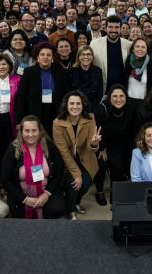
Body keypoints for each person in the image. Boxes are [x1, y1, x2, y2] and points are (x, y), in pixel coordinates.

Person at [0, 115, 66, 219]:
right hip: (21, 194)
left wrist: (46, 194)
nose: (30, 134)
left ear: (40, 131)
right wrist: (25, 199)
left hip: (47, 190)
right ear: (21, 132)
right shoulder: (13, 149)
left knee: (57, 209)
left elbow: (59, 170)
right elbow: (5, 178)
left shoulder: (50, 147)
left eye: (34, 130)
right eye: (27, 131)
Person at [53, 91, 100, 219]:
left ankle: (76, 202)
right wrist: (77, 174)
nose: (75, 106)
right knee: (73, 182)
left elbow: (91, 149)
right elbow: (63, 152)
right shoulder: (57, 123)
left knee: (84, 185)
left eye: (78, 103)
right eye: (72, 103)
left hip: (85, 158)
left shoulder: (90, 118)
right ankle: (70, 209)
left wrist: (94, 144)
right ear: (66, 106)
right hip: (66, 161)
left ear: (83, 105)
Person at [93, 85, 135, 206]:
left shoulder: (129, 109)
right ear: (109, 98)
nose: (118, 99)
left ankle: (114, 190)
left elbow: (131, 132)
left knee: (119, 167)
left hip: (120, 144)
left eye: (121, 96)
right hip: (103, 145)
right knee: (101, 165)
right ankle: (99, 192)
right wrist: (102, 148)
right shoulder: (101, 110)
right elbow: (95, 132)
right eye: (115, 96)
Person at [15, 42, 68, 136]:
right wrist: (19, 120)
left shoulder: (61, 72)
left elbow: (66, 94)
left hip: (56, 113)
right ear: (37, 57)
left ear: (52, 58)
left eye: (48, 55)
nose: (45, 57)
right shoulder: (29, 72)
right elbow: (21, 97)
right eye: (42, 54)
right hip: (35, 113)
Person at [90, 15, 132, 92]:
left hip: (123, 91)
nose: (113, 30)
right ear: (105, 28)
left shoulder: (129, 45)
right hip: (102, 91)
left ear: (120, 29)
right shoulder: (94, 44)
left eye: (116, 27)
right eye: (110, 27)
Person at [65, 45, 103, 112]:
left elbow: (99, 93)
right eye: (83, 54)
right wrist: (76, 106)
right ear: (79, 57)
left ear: (92, 56)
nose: (86, 57)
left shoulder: (98, 71)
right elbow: (68, 91)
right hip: (74, 107)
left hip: (92, 108)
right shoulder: (70, 72)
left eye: (88, 54)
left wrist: (90, 108)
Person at [125, 37, 152, 104]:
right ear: (133, 49)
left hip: (146, 103)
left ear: (146, 50)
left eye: (143, 47)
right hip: (129, 103)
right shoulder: (127, 64)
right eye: (137, 46)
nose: (140, 49)